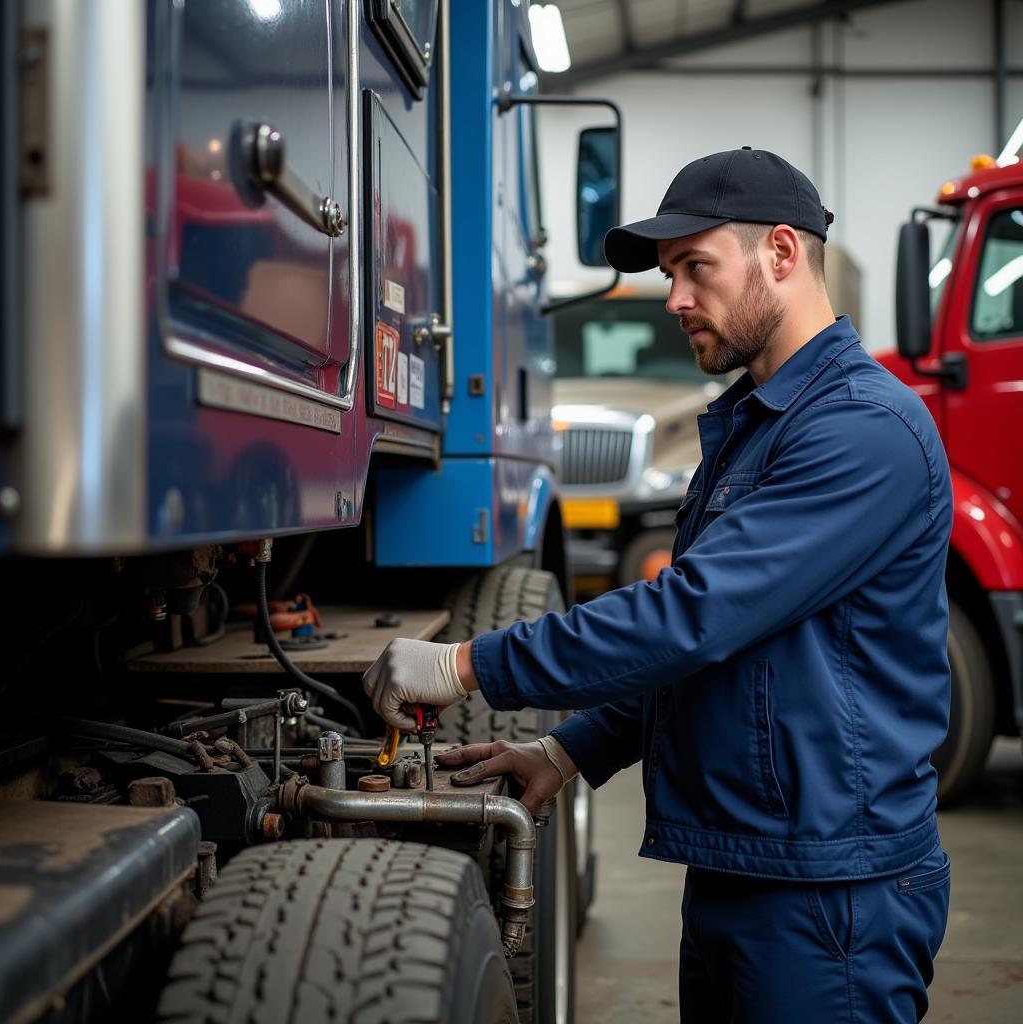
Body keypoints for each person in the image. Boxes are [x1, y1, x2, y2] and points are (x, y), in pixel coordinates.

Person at [363, 147, 953, 1023]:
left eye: (695, 268)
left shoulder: (863, 431)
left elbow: (693, 618)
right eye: (672, 273)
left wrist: (463, 668)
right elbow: (733, 653)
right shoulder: (756, 427)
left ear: (782, 254)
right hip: (747, 866)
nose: (676, 297)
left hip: (833, 892)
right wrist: (568, 751)